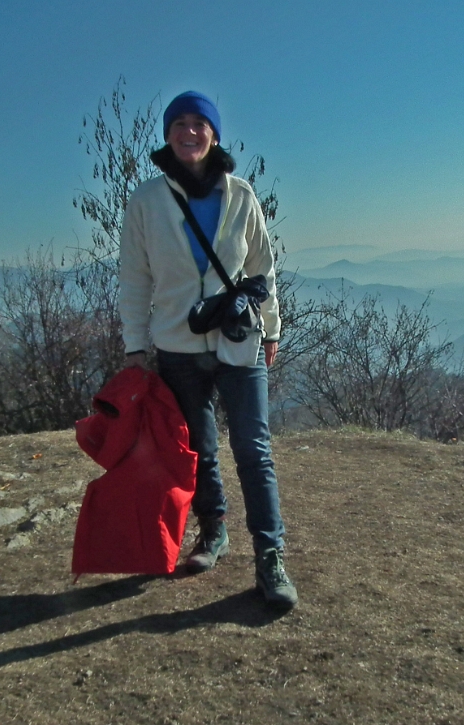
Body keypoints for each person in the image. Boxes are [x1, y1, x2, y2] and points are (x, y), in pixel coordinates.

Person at [118, 91, 297, 608]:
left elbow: (262, 269)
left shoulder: (241, 196)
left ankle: (270, 556)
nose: (190, 132)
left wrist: (271, 329)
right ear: (168, 134)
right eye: (180, 124)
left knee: (254, 451)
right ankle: (213, 531)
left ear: (215, 134)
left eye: (200, 124)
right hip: (176, 345)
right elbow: (134, 277)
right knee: (198, 450)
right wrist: (135, 345)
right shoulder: (147, 201)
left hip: (238, 341)